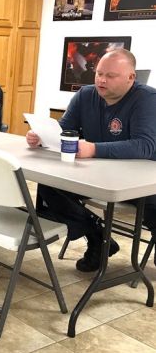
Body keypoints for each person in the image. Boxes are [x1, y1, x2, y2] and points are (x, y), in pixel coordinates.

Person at [26, 49, 156, 272]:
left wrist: (93, 148)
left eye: (111, 76)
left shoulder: (147, 99)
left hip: (141, 179)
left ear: (131, 77)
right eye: (99, 73)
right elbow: (64, 130)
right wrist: (42, 137)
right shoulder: (86, 95)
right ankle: (98, 238)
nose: (102, 80)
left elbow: (144, 146)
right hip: (96, 174)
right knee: (50, 186)